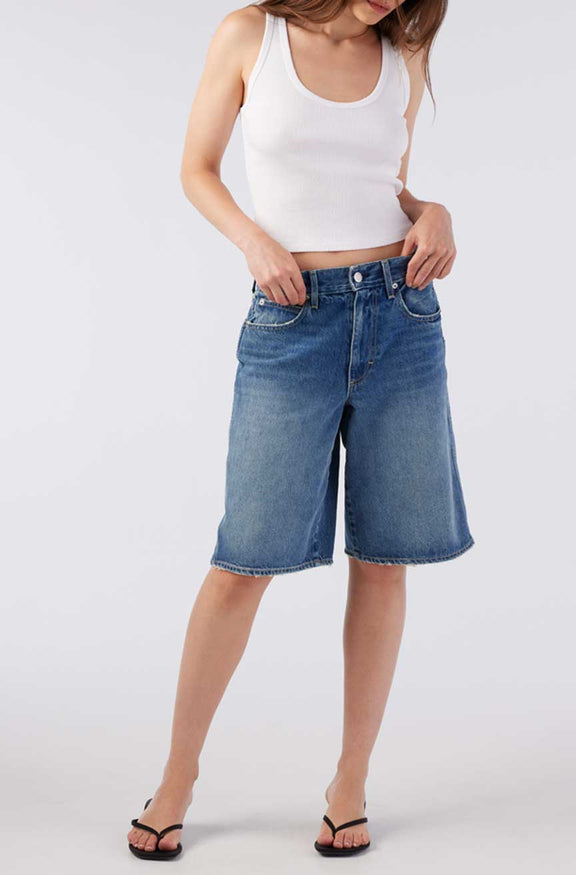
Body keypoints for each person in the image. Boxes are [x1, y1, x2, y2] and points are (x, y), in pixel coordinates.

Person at [127, 0, 474, 860]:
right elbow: (197, 168)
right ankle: (177, 778)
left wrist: (433, 211)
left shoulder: (401, 54)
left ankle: (349, 783)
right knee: (242, 562)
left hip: (402, 316)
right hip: (290, 323)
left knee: (384, 558)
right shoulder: (251, 36)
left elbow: (386, 186)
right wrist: (253, 241)